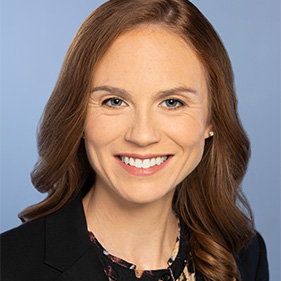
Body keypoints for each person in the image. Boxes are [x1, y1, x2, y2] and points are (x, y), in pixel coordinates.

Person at [1, 0, 269, 280]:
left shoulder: (245, 256)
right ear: (77, 115)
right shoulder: (8, 265)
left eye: (172, 102)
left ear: (211, 120)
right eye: (115, 101)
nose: (142, 136)